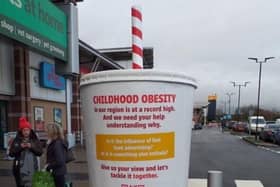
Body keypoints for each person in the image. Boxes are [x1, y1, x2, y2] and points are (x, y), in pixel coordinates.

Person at [9, 117, 43, 187]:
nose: (26, 132)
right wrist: (20, 147)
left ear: (30, 130)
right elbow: (11, 154)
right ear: (21, 131)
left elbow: (40, 152)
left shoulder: (34, 140)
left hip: (32, 168)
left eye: (27, 130)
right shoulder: (16, 140)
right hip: (19, 169)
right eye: (24, 130)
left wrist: (32, 147)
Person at [46, 123, 67, 187]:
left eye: (48, 130)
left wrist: (49, 166)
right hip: (57, 172)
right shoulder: (55, 142)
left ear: (52, 132)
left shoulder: (57, 144)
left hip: (57, 173)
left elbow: (59, 161)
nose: (46, 132)